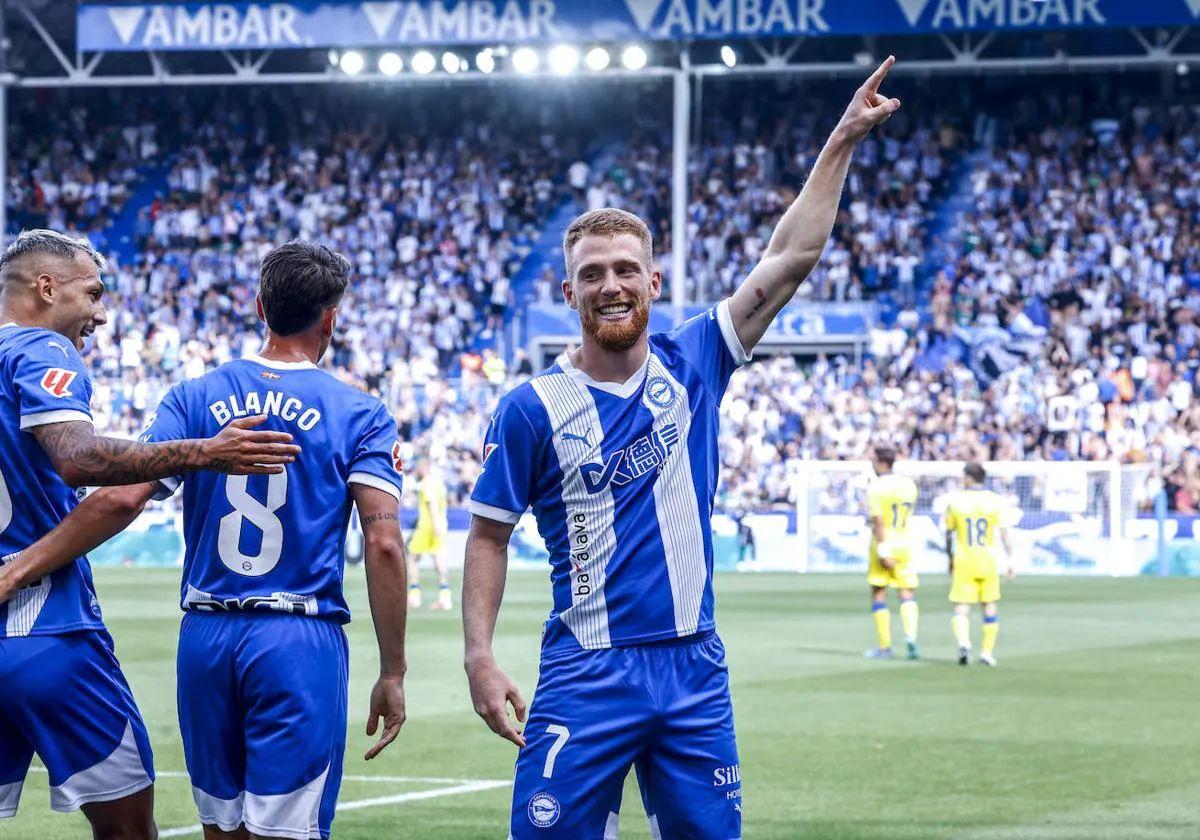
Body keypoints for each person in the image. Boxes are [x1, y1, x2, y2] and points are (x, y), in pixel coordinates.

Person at [462, 58, 903, 838]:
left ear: (654, 283)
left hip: (694, 669)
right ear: (568, 293)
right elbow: (489, 535)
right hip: (585, 673)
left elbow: (791, 257)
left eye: (626, 269)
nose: (610, 284)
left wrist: (840, 140)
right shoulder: (530, 409)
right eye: (591, 274)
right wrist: (478, 656)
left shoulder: (696, 357)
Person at [5, 241, 409, 839]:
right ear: (332, 318)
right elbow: (383, 544)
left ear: (258, 306)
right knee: (285, 830)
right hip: (297, 634)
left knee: (221, 829)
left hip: (206, 638)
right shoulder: (361, 412)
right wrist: (393, 670)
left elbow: (119, 498)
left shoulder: (193, 398)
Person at [943, 462, 1017, 666]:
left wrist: (949, 557)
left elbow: (949, 534)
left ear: (968, 477)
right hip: (987, 560)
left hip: (964, 559)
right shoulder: (995, 502)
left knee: (961, 607)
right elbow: (1004, 533)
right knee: (989, 605)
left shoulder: (956, 502)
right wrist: (1010, 559)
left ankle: (964, 642)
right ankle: (987, 652)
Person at [864, 446, 921, 660]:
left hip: (885, 542)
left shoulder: (876, 487)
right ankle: (911, 638)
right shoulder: (909, 485)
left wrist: (882, 548)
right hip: (905, 542)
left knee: (879, 592)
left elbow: (879, 519)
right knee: (906, 593)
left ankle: (885, 646)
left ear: (880, 462)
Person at [407, 459, 452, 611]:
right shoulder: (438, 482)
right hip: (440, 524)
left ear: (422, 467)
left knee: (412, 558)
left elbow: (431, 504)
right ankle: (445, 597)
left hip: (427, 527)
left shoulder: (426, 484)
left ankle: (414, 596)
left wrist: (435, 525)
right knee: (439, 561)